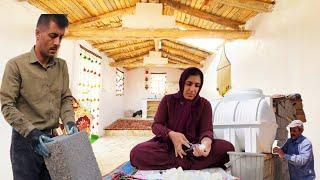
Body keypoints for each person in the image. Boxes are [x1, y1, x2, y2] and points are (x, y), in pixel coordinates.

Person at [0, 14, 78, 180]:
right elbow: (7, 105)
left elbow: (65, 98)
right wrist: (32, 134)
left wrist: (69, 121)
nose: (57, 43)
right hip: (25, 142)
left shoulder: (61, 66)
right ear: (37, 34)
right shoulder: (16, 66)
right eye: (53, 36)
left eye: (61, 37)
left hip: (53, 141)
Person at [130, 67, 234, 170]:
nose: (192, 89)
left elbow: (206, 130)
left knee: (227, 148)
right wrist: (171, 134)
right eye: (189, 84)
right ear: (182, 83)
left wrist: (206, 144)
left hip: (194, 148)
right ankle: (190, 163)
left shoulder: (204, 104)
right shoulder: (168, 100)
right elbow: (156, 126)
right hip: (169, 147)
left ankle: (179, 162)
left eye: (197, 85)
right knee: (137, 153)